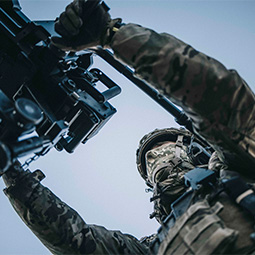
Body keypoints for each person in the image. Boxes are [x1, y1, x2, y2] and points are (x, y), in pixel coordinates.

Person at [2, 0, 255, 254]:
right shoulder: (152, 248)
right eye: (149, 161)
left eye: (164, 148)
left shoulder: (238, 168)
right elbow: (77, 241)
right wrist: (13, 172)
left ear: (196, 150)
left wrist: (114, 37)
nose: (156, 159)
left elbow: (218, 99)